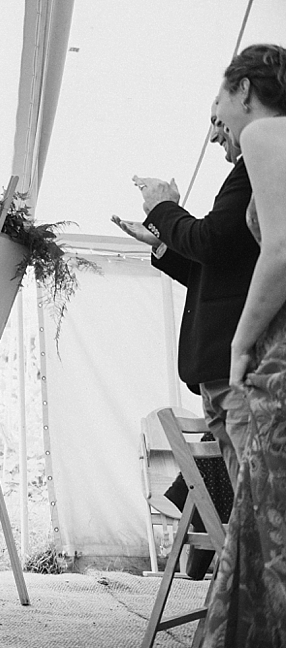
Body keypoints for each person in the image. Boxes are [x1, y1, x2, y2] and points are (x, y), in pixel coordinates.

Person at [111, 100, 256, 489]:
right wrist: (161, 244)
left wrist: (163, 210)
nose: (212, 135)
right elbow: (215, 270)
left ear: (246, 96)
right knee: (246, 497)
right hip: (219, 372)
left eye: (217, 121)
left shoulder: (257, 168)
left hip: (236, 370)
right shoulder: (253, 170)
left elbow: (209, 241)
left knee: (253, 497)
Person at [200, 43, 286, 647]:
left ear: (245, 91)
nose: (219, 126)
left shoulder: (266, 136)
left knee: (270, 523)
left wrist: (240, 343)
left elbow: (281, 249)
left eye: (219, 106)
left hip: (280, 355)